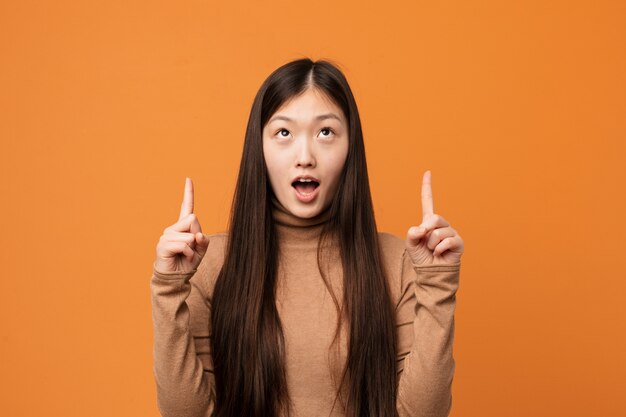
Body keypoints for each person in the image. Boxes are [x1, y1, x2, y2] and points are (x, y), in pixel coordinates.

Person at [150, 58, 464, 417]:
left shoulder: (398, 261)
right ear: (260, 149)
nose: (305, 157)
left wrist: (438, 284)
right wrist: (168, 287)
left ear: (351, 149)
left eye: (325, 132)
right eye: (284, 133)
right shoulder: (210, 263)